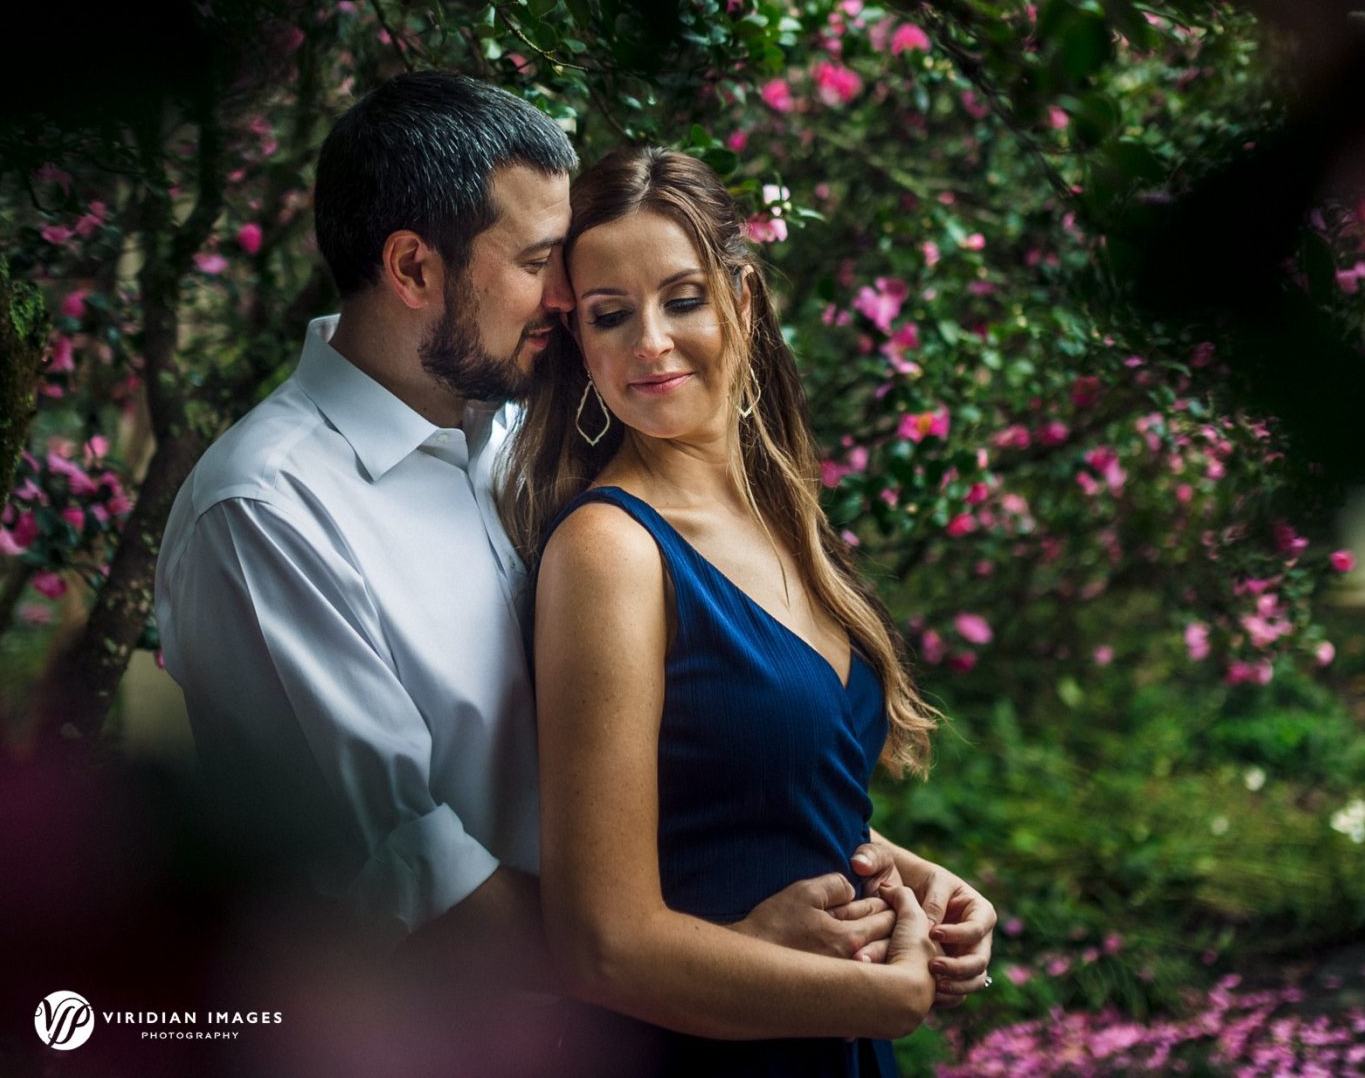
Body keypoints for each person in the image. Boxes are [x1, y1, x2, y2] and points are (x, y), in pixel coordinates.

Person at [153, 71, 906, 984]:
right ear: (414, 269)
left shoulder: (514, 437)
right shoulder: (266, 514)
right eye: (536, 260)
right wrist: (733, 948)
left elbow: (684, 757)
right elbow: (418, 883)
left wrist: (893, 886)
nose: (564, 296)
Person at [496, 146, 996, 1075]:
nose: (649, 340)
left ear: (745, 299)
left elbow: (759, 793)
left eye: (681, 297)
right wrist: (881, 996)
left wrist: (921, 881)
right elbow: (600, 943)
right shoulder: (611, 551)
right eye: (610, 315)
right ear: (581, 341)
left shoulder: (777, 515)